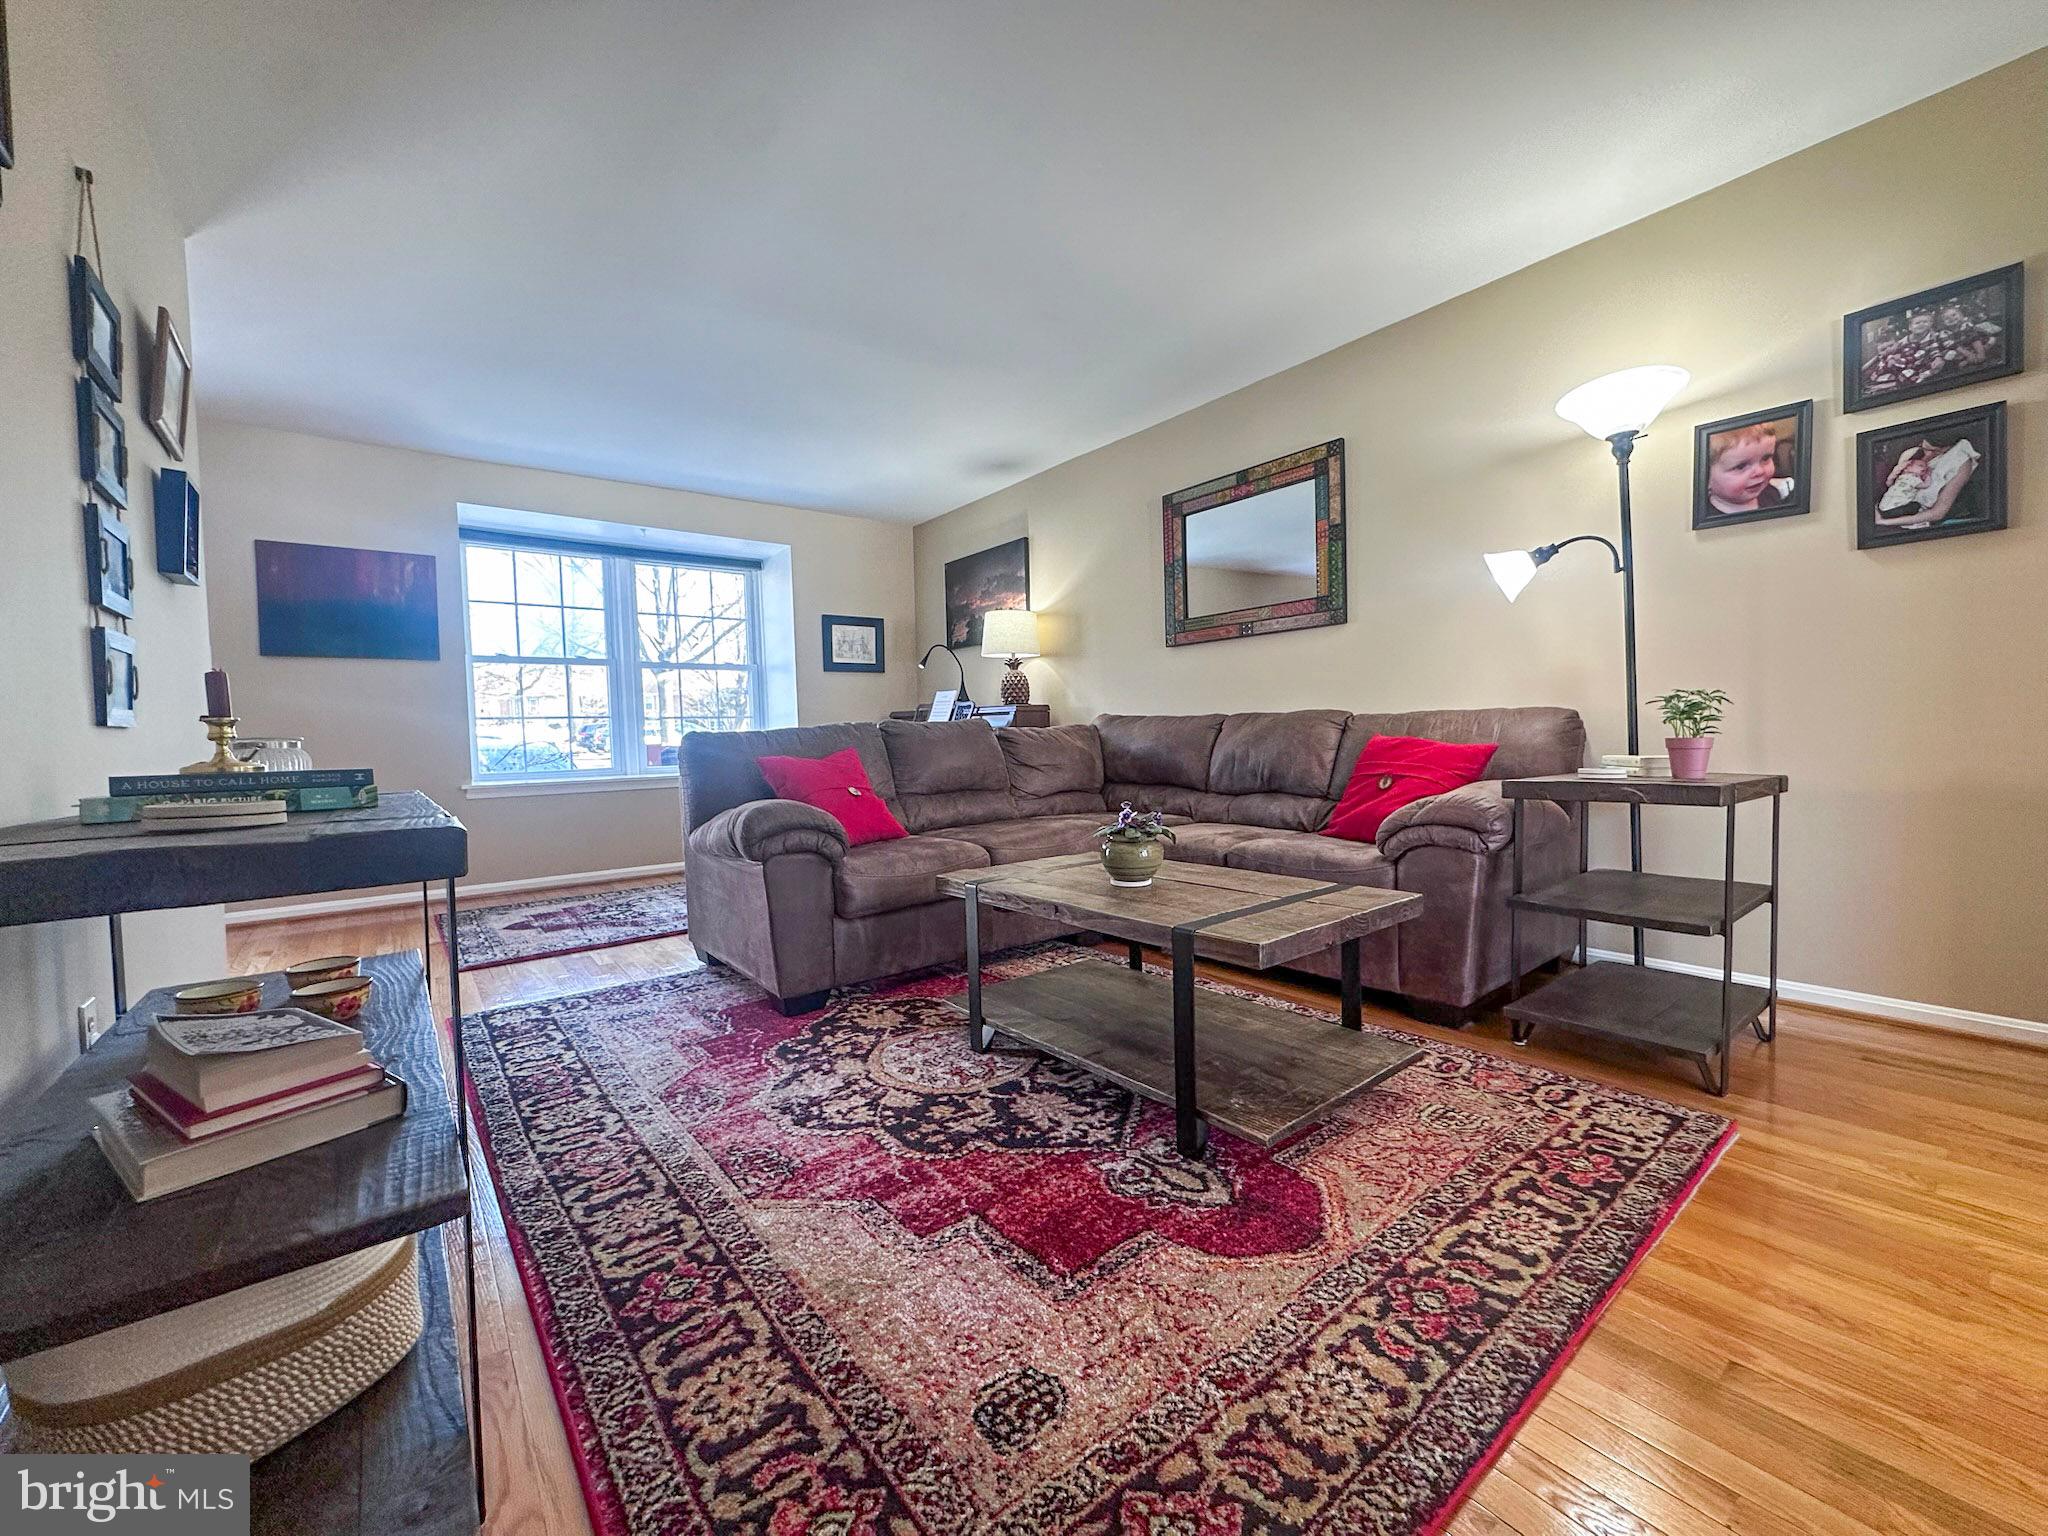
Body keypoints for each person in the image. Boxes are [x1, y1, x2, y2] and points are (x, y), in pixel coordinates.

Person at [1873, 437, 1979, 529]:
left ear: (1949, 449)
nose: (1929, 455)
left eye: (1935, 451)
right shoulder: (1911, 453)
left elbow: (1938, 513)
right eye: (1925, 449)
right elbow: (1895, 487)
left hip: (1917, 520)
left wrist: (1884, 522)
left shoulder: (1960, 462)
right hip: (1887, 509)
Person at [1703, 421, 1795, 515]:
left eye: (1765, 458)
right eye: (1741, 466)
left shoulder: (1771, 492)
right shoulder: (1706, 521)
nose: (1759, 471)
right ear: (1705, 477)